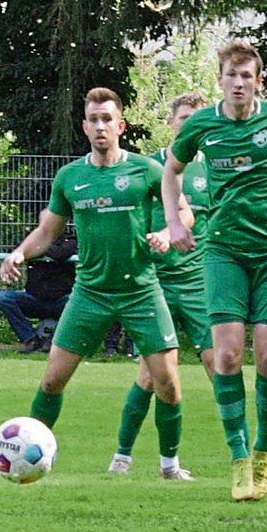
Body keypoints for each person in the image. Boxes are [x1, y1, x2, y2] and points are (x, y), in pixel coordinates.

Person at [1, 87, 185, 480]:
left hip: (140, 290)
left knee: (168, 384)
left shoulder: (147, 171)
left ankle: (170, 467)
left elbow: (182, 213)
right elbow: (46, 233)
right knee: (52, 380)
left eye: (107, 119)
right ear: (85, 127)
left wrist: (167, 235)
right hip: (90, 292)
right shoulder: (71, 177)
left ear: (121, 125)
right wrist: (19, 253)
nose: (101, 126)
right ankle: (25, 454)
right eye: (94, 120)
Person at [163, 41, 267, 501]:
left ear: (258, 80)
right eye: (232, 74)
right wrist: (173, 222)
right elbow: (170, 172)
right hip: (223, 250)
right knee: (227, 356)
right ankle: (239, 457)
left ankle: (264, 453)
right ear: (220, 79)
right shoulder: (202, 124)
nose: (239, 82)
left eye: (247, 75)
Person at [109, 91, 215, 479]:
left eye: (197, 118)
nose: (189, 124)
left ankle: (243, 456)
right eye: (183, 117)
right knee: (150, 375)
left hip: (201, 283)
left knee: (220, 365)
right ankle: (122, 456)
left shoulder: (214, 169)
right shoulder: (152, 167)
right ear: (171, 122)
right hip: (156, 281)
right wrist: (157, 235)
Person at [0, 230, 76, 353]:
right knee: (4, 298)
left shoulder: (70, 240)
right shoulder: (31, 238)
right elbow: (18, 250)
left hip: (61, 301)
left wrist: (37, 249)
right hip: (35, 299)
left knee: (78, 303)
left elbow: (60, 254)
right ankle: (31, 339)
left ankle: (53, 340)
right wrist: (35, 247)